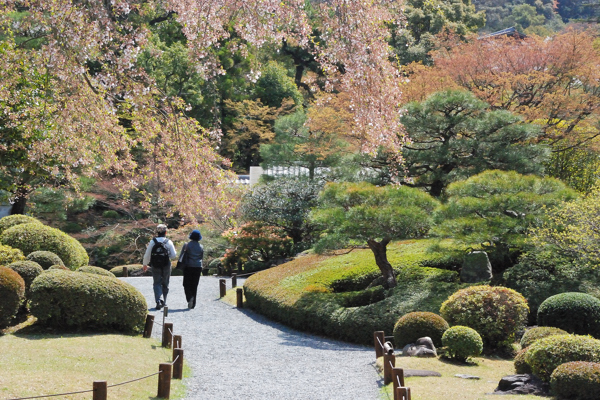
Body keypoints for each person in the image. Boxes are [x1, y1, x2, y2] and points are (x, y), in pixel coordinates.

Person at [143, 224, 177, 310]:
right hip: (166, 264)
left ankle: (158, 300)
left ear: (157, 232)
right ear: (165, 232)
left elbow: (147, 254)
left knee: (157, 282)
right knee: (165, 282)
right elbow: (173, 255)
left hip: (155, 264)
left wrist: (145, 264)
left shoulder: (152, 241)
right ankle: (164, 301)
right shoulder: (168, 242)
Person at [180, 229, 204, 309]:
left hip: (188, 266)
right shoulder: (201, 246)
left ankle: (190, 298)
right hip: (198, 266)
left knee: (186, 284)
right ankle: (193, 304)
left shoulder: (187, 245)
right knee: (195, 285)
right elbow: (201, 257)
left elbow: (181, 256)